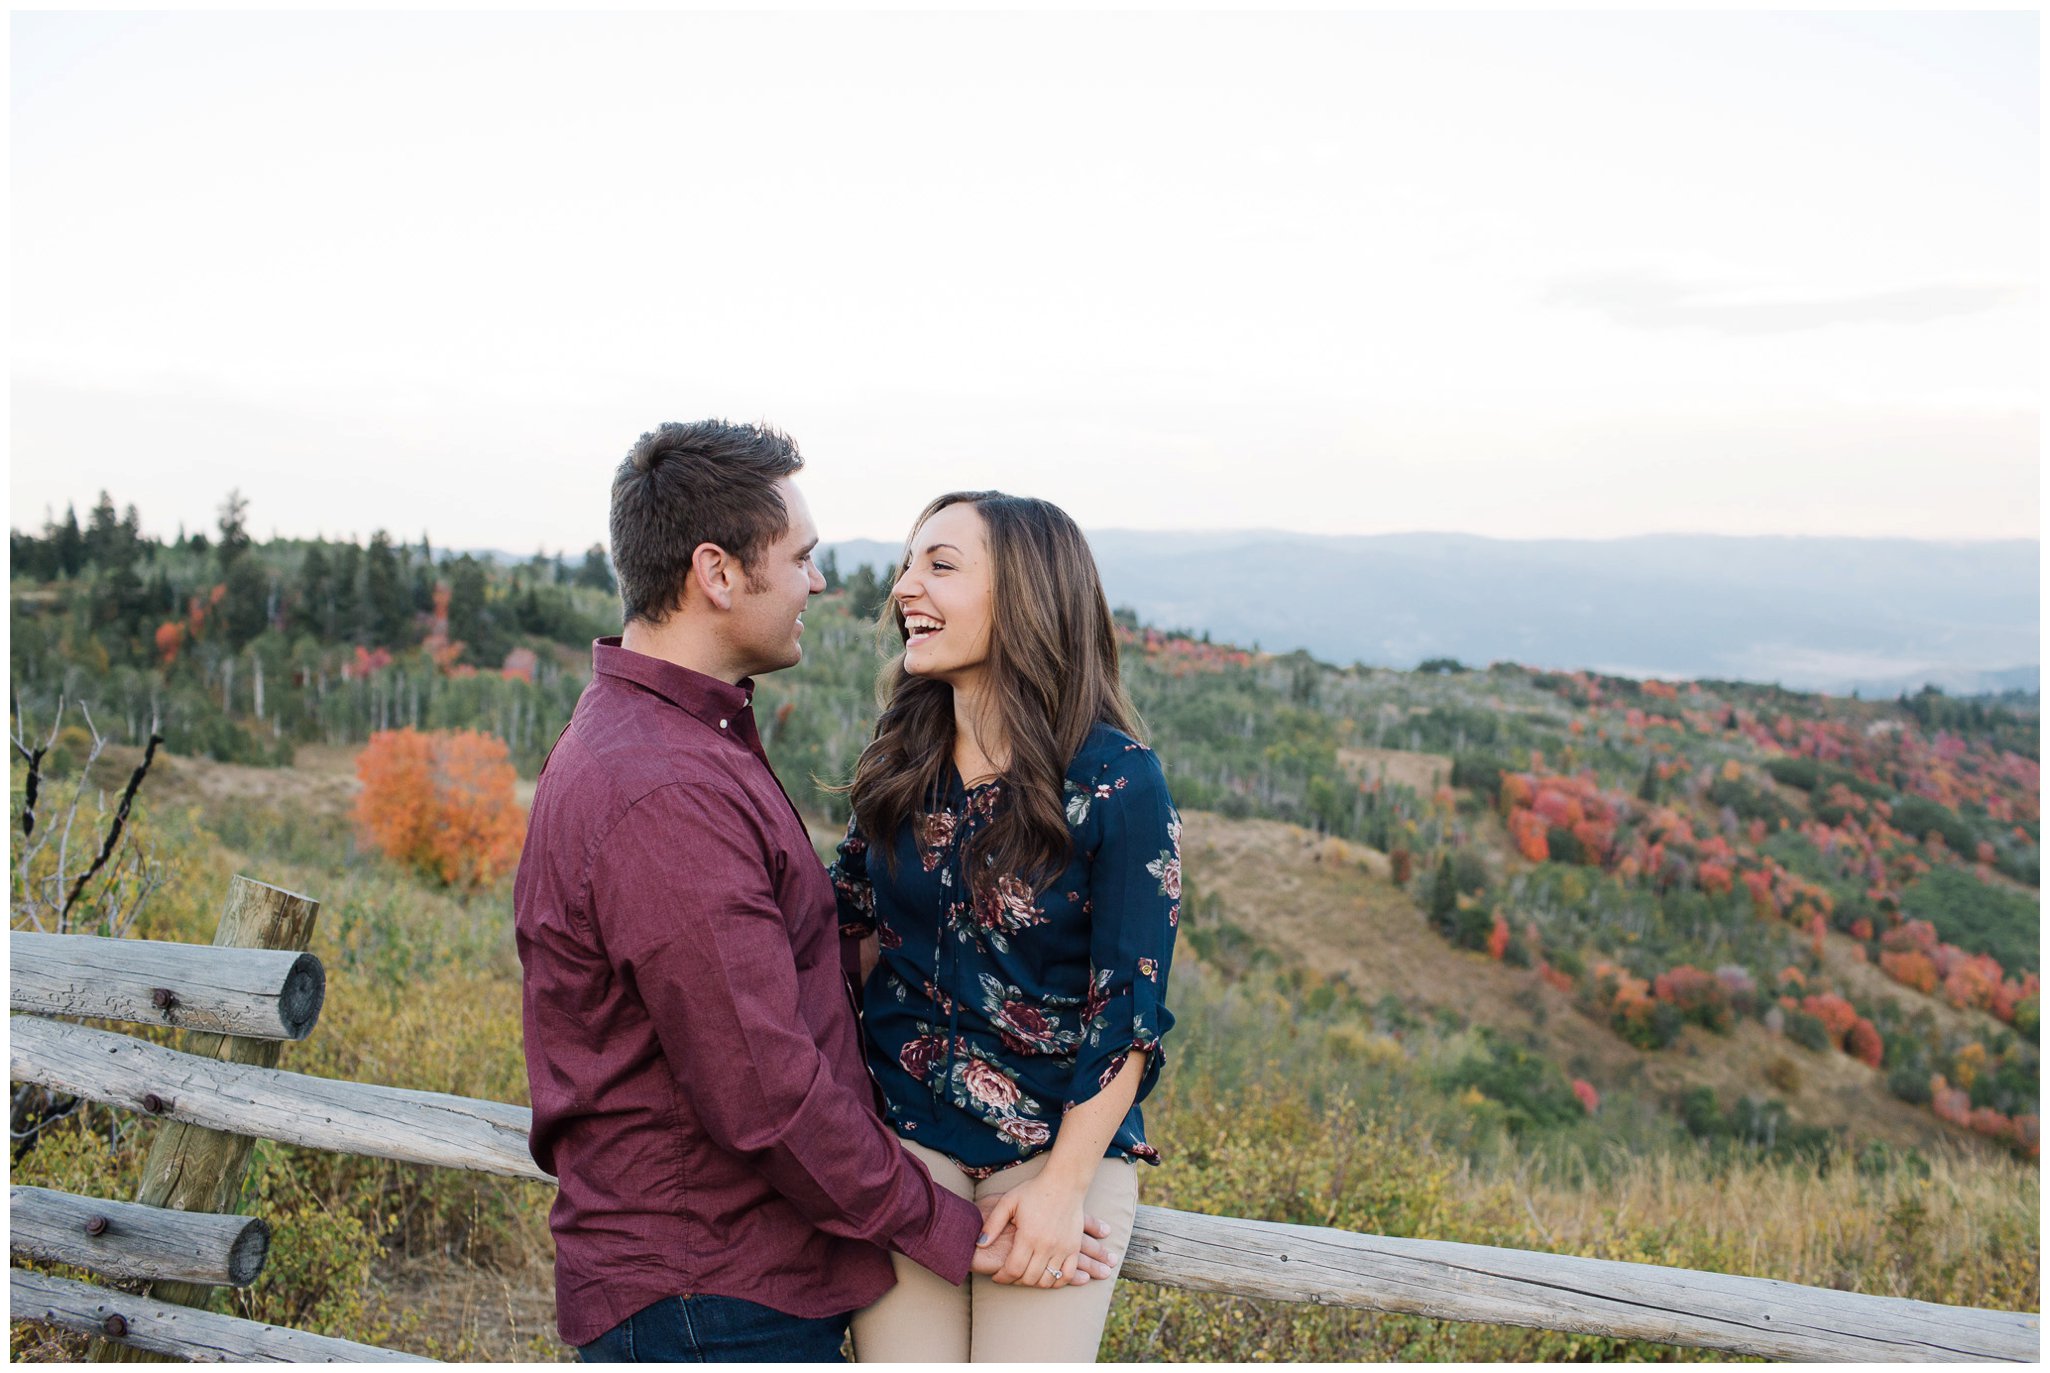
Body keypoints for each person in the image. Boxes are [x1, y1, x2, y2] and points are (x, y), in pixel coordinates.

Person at [514, 424, 1116, 1364]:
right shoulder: (663, 788)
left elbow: (799, 954)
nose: (822, 582)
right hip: (704, 1296)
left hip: (717, 1284)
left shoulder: (672, 744)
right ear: (717, 572)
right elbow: (765, 1092)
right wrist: (957, 1230)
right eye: (800, 556)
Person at [832, 491, 1181, 1362]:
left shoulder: (1117, 781)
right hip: (905, 1144)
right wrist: (851, 1128)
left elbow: (1127, 1011)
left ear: (1024, 595)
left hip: (1056, 1144)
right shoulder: (900, 757)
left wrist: (1064, 1190)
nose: (905, 586)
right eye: (909, 563)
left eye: (940, 565)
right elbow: (846, 931)